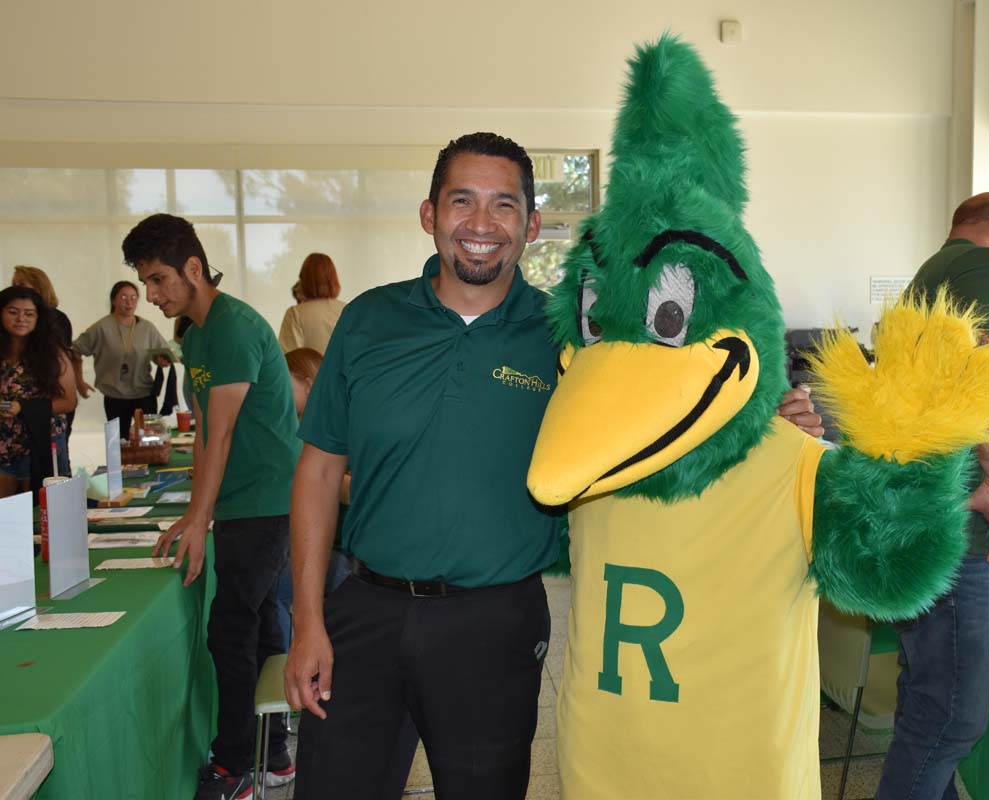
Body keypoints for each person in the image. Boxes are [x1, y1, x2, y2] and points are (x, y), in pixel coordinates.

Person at [283, 132, 824, 799]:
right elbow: (315, 472)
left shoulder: (568, 337)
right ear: (430, 215)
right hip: (364, 611)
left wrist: (763, 421)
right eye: (462, 202)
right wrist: (308, 619)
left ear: (531, 225)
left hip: (494, 621)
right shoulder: (368, 321)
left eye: (504, 205)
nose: (482, 224)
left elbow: (661, 402)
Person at [124, 213, 301, 800]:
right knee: (259, 627)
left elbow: (220, 436)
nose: (150, 295)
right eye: (145, 283)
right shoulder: (194, 334)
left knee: (230, 632)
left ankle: (234, 767)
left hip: (267, 502)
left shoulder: (231, 328)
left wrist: (201, 518)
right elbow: (202, 434)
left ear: (193, 268)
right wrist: (196, 513)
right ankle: (272, 755)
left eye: (157, 280)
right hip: (242, 503)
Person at [876, 192, 989, 800]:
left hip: (929, 523)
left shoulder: (929, 277)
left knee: (926, 713)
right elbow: (976, 359)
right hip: (965, 536)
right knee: (950, 723)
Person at [0, 286, 76, 496]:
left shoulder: (53, 353)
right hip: (5, 443)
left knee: (48, 512)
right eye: (13, 312)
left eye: (29, 313)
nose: (21, 319)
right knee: (6, 518)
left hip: (43, 440)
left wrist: (22, 407)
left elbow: (69, 401)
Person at [72, 281, 171, 440]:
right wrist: (79, 382)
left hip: (144, 395)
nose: (129, 302)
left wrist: (162, 361)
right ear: (113, 300)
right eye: (123, 297)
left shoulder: (147, 327)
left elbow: (164, 355)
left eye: (133, 298)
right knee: (118, 446)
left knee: (149, 441)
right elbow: (75, 351)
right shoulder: (102, 327)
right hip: (115, 397)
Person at [277, 253, 345, 354]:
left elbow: (290, 361)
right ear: (334, 278)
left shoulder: (295, 314)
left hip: (312, 369)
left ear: (304, 280)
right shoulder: (348, 310)